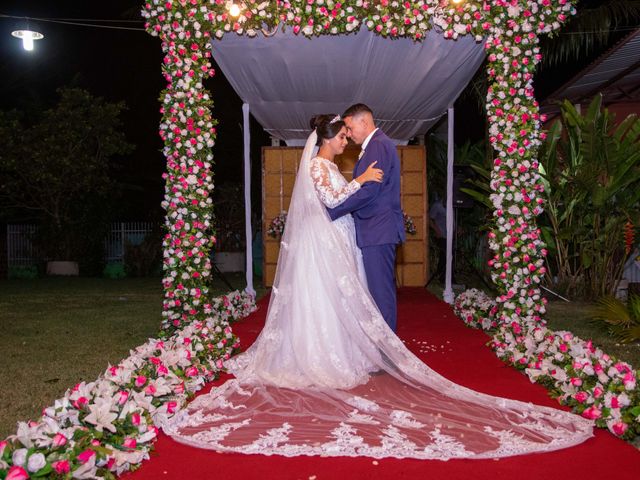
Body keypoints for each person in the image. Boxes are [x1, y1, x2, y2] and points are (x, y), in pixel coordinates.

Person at [159, 115, 592, 460]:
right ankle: (323, 353)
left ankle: (352, 346)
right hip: (328, 240)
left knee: (343, 295)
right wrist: (361, 181)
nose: (347, 142)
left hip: (340, 236)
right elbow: (330, 201)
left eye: (350, 134)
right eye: (342, 137)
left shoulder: (333, 160)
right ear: (329, 139)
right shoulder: (318, 164)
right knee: (329, 295)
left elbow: (337, 198)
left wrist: (359, 183)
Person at [327, 104, 405, 332]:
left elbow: (370, 191)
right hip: (377, 230)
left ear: (364, 122)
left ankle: (387, 353)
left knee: (381, 294)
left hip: (378, 230)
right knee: (378, 292)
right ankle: (383, 349)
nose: (348, 135)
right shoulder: (377, 145)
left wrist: (333, 211)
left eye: (350, 128)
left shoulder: (378, 145)